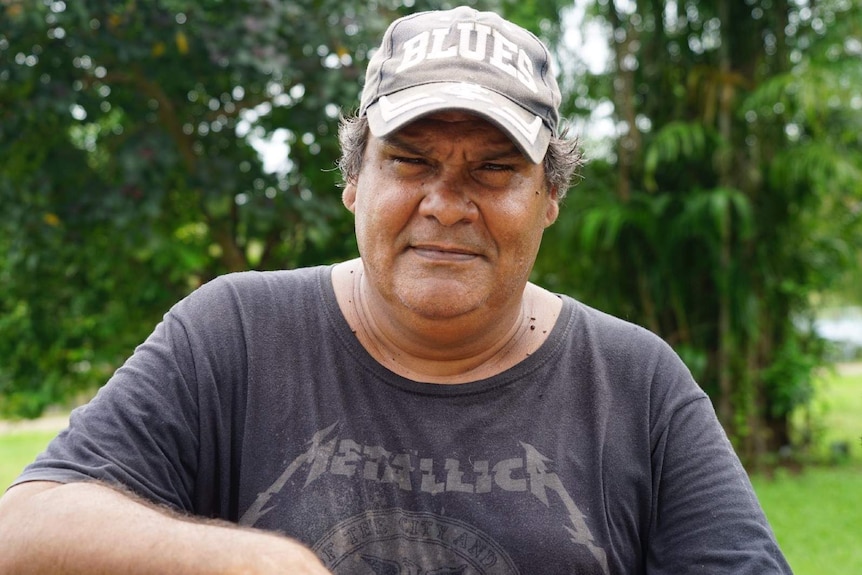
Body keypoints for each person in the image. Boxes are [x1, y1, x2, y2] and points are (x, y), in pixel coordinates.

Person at [0, 6, 791, 575]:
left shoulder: (636, 382)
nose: (446, 203)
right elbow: (24, 527)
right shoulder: (233, 332)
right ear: (353, 180)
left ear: (549, 197)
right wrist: (251, 562)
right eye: (410, 160)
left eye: (493, 168)